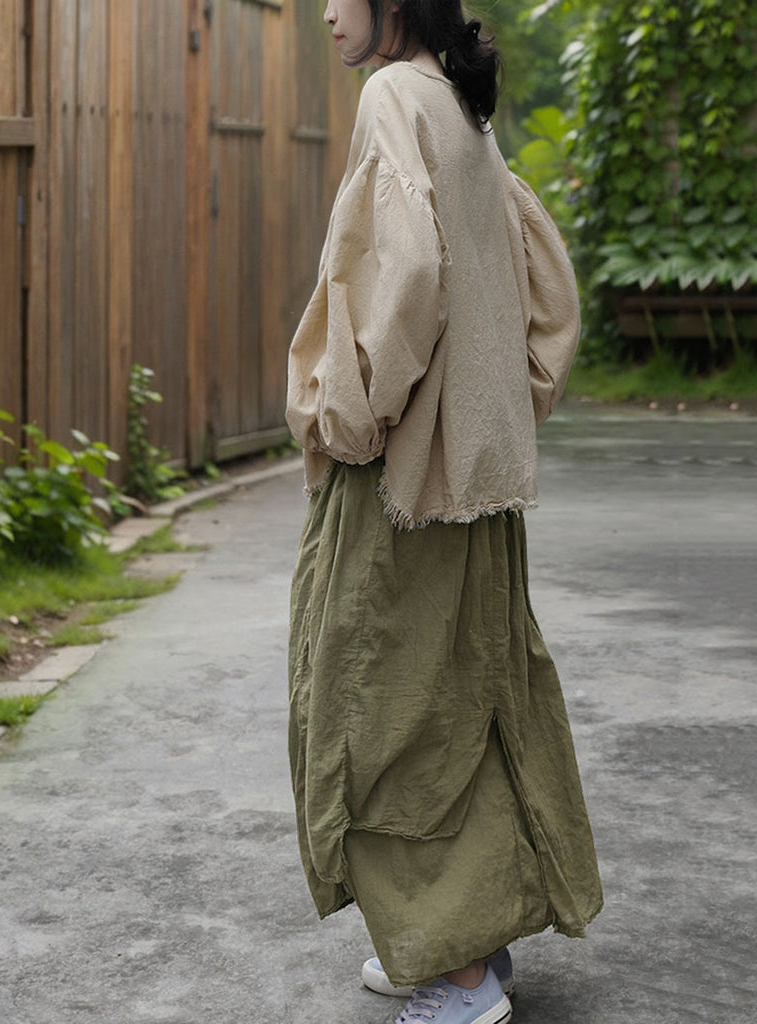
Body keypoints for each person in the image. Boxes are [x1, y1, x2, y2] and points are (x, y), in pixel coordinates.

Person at [285, 0, 603, 1020]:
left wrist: (351, 413)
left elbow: (409, 270)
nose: (325, 13)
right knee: (466, 703)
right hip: (475, 479)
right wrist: (501, 405)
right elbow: (543, 286)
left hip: (405, 478)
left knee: (377, 714)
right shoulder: (461, 105)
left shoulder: (393, 95)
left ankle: (460, 980)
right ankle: (466, 942)